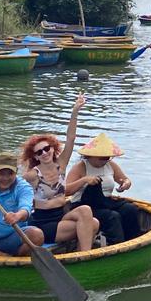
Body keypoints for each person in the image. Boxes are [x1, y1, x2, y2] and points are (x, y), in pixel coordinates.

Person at [17, 94, 99, 252]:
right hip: (43, 222)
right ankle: (85, 255)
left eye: (47, 149)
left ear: (53, 149)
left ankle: (81, 253)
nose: (44, 153)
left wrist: (75, 112)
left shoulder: (60, 165)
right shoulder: (32, 175)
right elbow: (14, 189)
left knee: (90, 217)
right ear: (35, 156)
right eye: (39, 152)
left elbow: (71, 138)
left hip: (62, 215)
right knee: (89, 220)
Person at [67, 134, 144, 245]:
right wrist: (84, 180)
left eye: (108, 158)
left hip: (106, 202)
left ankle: (132, 241)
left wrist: (125, 184)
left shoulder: (111, 165)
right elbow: (65, 191)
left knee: (130, 209)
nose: (105, 160)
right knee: (112, 217)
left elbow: (125, 180)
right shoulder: (80, 167)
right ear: (90, 156)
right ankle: (115, 244)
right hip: (85, 205)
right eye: (102, 158)